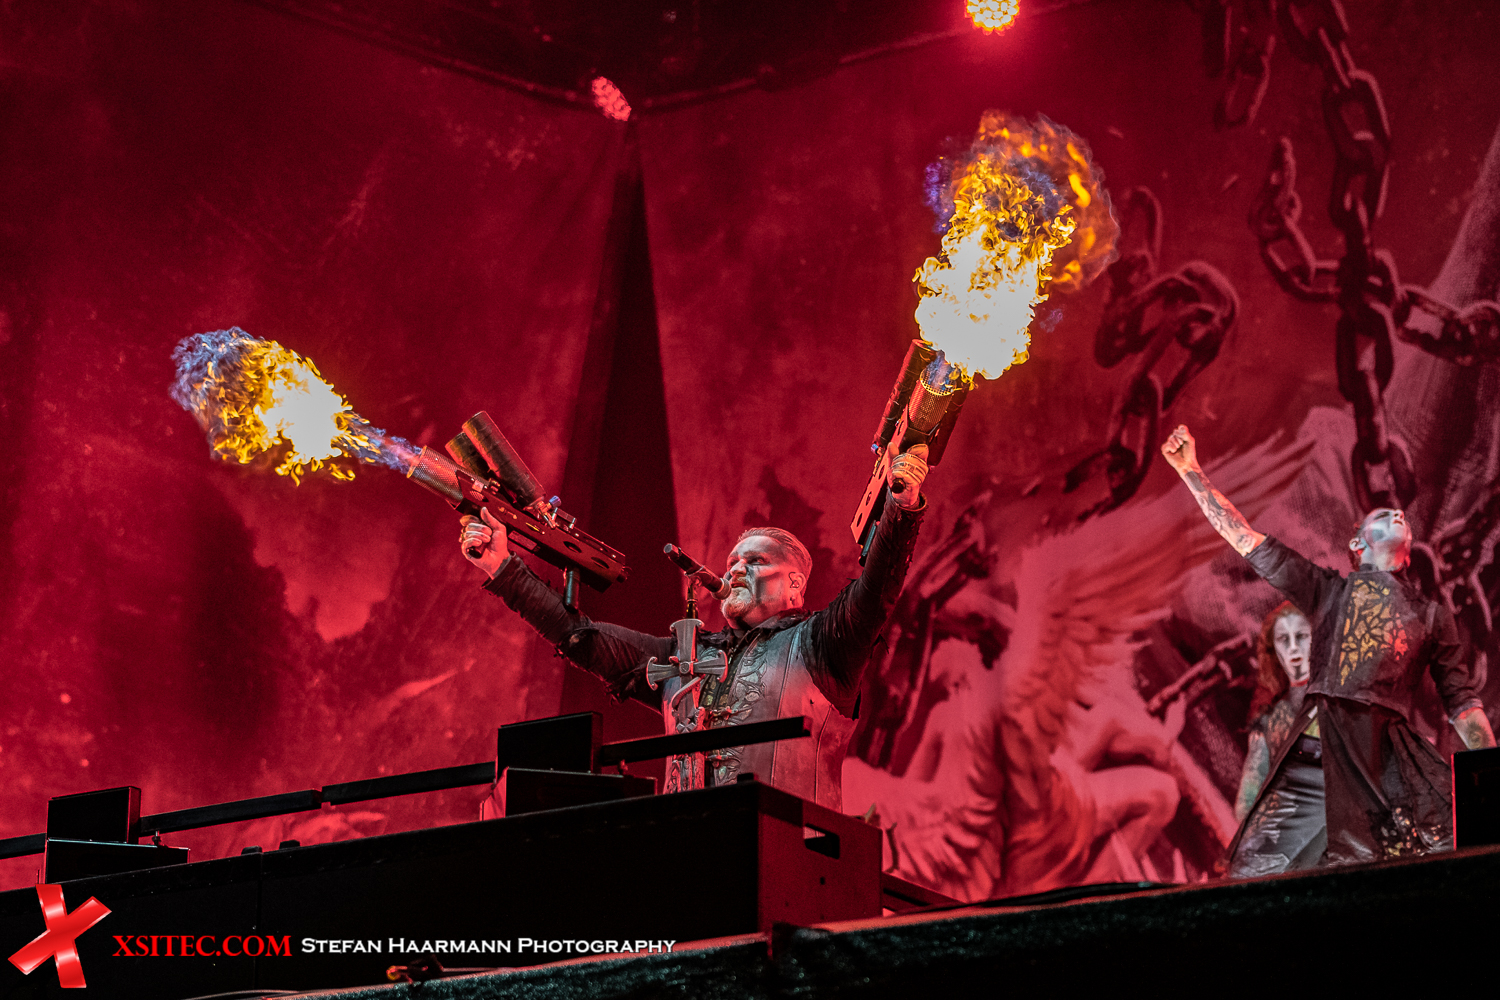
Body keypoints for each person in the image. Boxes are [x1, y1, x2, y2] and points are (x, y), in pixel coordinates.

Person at [458, 446, 932, 812]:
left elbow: (876, 591)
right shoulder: (684, 657)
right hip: (684, 860)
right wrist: (503, 567)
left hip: (791, 864)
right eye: (732, 562)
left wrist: (901, 508)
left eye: (755, 562)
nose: (736, 570)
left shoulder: (822, 644)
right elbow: (582, 638)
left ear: (795, 585)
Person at [1161, 424, 1496, 863]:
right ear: (1357, 544)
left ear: (1409, 549)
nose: (1394, 515)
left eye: (1399, 517)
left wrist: (1492, 770)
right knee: (1253, 868)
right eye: (1381, 517)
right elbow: (1244, 538)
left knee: (1442, 851)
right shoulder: (1326, 591)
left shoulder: (1432, 616)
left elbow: (1463, 706)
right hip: (1318, 751)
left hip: (1385, 757)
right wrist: (1190, 471)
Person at [1226, 602, 1327, 876]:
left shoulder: (1341, 709)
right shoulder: (1268, 720)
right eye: (1284, 640)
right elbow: (1248, 798)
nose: (1293, 648)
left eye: (1301, 637)